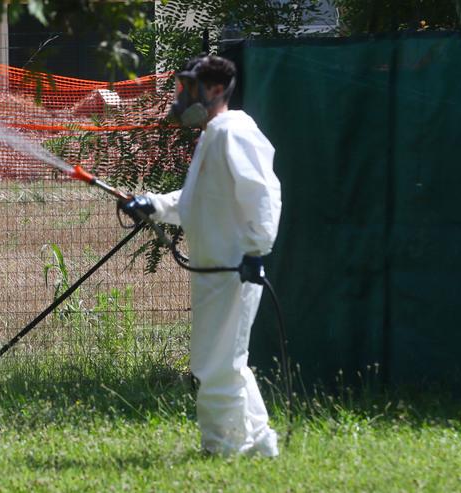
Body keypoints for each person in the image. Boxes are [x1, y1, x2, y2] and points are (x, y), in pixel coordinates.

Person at [120, 55, 282, 457]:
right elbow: (195, 202)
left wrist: (256, 252)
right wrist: (153, 204)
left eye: (188, 87)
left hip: (234, 269)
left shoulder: (234, 131)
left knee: (214, 364)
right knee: (229, 361)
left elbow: (263, 194)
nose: (181, 96)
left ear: (213, 90)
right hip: (217, 268)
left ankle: (221, 447)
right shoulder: (214, 134)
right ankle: (259, 443)